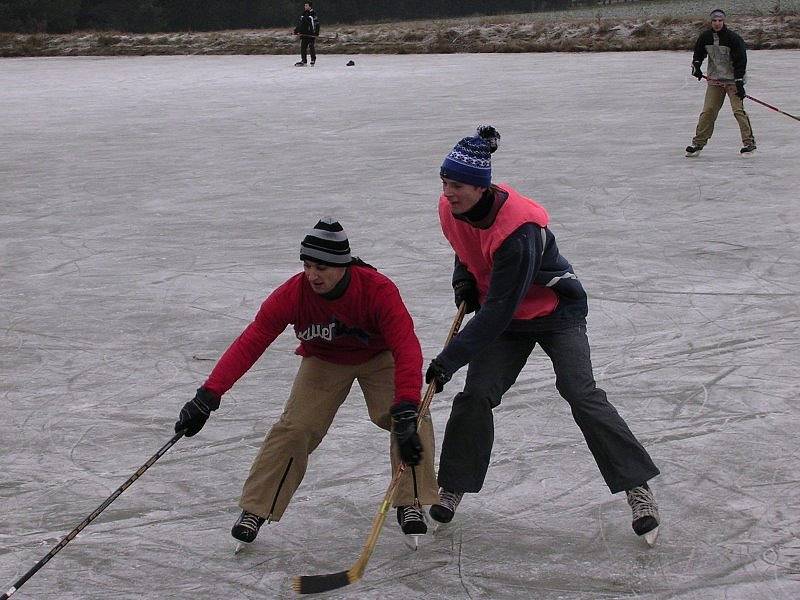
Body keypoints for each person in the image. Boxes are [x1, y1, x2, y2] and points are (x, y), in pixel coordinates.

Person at [424, 126, 661, 544]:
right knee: (476, 395)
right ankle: (454, 485)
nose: (448, 193)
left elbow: (498, 311)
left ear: (480, 187)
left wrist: (448, 361)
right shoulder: (450, 209)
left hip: (555, 311)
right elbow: (466, 250)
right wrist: (463, 280)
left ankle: (637, 487)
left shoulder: (520, 230)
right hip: (506, 316)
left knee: (580, 392)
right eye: (444, 183)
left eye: (457, 185)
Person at [175, 218, 438, 545]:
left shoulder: (377, 290)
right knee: (296, 428)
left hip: (378, 358)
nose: (312, 275)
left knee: (412, 419)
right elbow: (252, 340)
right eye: (308, 265)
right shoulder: (293, 293)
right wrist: (208, 395)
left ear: (343, 267)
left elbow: (406, 346)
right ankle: (257, 507)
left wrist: (406, 404)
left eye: (322, 267)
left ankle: (411, 501)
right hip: (324, 359)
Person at [685, 9, 756, 157]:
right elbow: (698, 53)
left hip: (733, 80)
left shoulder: (733, 38)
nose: (717, 23)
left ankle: (749, 143)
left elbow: (740, 61)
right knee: (708, 111)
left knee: (738, 111)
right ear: (711, 22)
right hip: (715, 80)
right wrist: (697, 66)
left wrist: (739, 83)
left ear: (724, 21)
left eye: (720, 21)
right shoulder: (705, 37)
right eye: (714, 21)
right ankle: (698, 143)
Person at [293, 2, 320, 67]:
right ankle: (304, 61)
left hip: (311, 34)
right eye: (304, 5)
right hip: (303, 34)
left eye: (306, 6)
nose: (305, 7)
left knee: (311, 46)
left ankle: (313, 60)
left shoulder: (313, 14)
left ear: (310, 7)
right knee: (303, 47)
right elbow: (300, 23)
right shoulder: (303, 14)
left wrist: (316, 33)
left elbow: (317, 24)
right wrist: (296, 31)